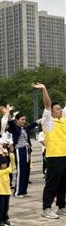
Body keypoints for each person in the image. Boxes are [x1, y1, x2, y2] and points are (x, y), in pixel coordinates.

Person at [33, 83, 66, 219]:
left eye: (61, 109)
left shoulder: (63, 121)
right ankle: (46, 208)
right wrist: (44, 89)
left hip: (64, 155)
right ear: (52, 111)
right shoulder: (48, 122)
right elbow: (47, 104)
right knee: (52, 183)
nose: (61, 111)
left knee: (64, 182)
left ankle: (61, 206)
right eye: (58, 109)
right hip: (54, 156)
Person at [0, 104, 38, 197]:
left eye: (25, 120)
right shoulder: (14, 128)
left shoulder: (24, 128)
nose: (24, 121)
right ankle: (17, 192)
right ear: (17, 120)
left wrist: (45, 117)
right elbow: (10, 121)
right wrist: (7, 112)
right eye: (22, 119)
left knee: (26, 170)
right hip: (19, 150)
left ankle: (23, 190)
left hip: (27, 150)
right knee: (21, 171)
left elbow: (33, 124)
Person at [0, 155, 14, 226]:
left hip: (7, 192)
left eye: (6, 163)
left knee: (5, 207)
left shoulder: (6, 171)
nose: (5, 165)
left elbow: (11, 166)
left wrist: (7, 155)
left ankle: (5, 219)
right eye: (3, 164)